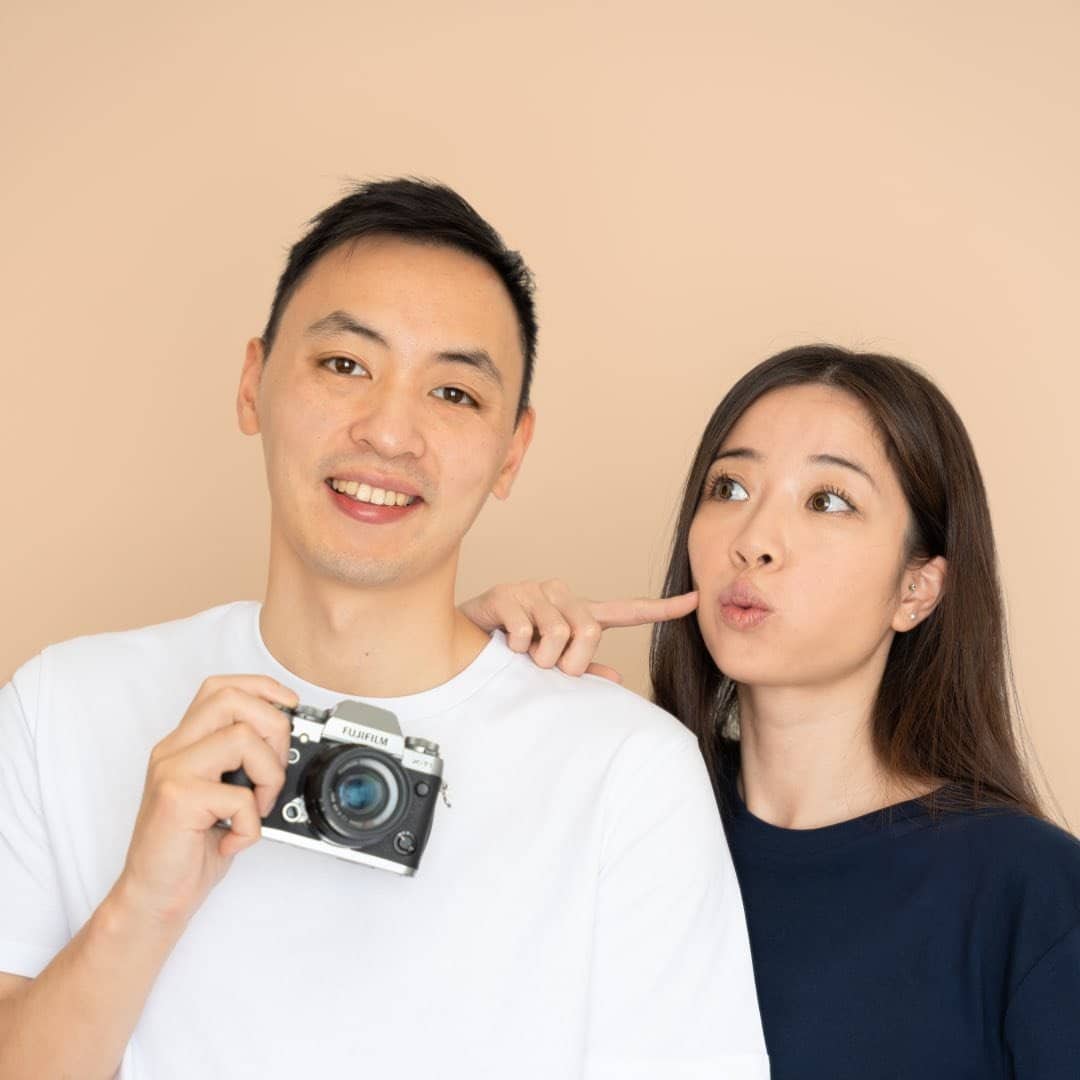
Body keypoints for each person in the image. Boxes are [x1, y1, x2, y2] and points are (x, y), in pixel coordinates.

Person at [0, 180, 769, 1079]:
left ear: (511, 451)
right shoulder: (61, 707)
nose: (390, 432)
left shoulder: (624, 770)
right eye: (345, 366)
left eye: (452, 391)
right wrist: (144, 904)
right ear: (253, 383)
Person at [464, 344, 1080, 1079]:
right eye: (728, 487)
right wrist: (454, 672)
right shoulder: (617, 810)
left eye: (828, 501)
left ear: (917, 589)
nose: (752, 541)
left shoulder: (1031, 892)